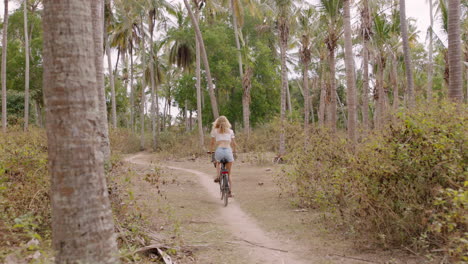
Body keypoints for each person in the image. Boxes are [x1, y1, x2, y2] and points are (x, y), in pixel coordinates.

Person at [210, 116, 237, 196]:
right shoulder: (231, 131)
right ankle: (230, 192)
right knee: (229, 173)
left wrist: (211, 152)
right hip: (228, 151)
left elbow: (212, 143)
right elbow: (234, 144)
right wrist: (234, 151)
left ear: (217, 122)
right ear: (227, 122)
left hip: (219, 150)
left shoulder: (215, 131)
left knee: (217, 162)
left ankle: (218, 176)